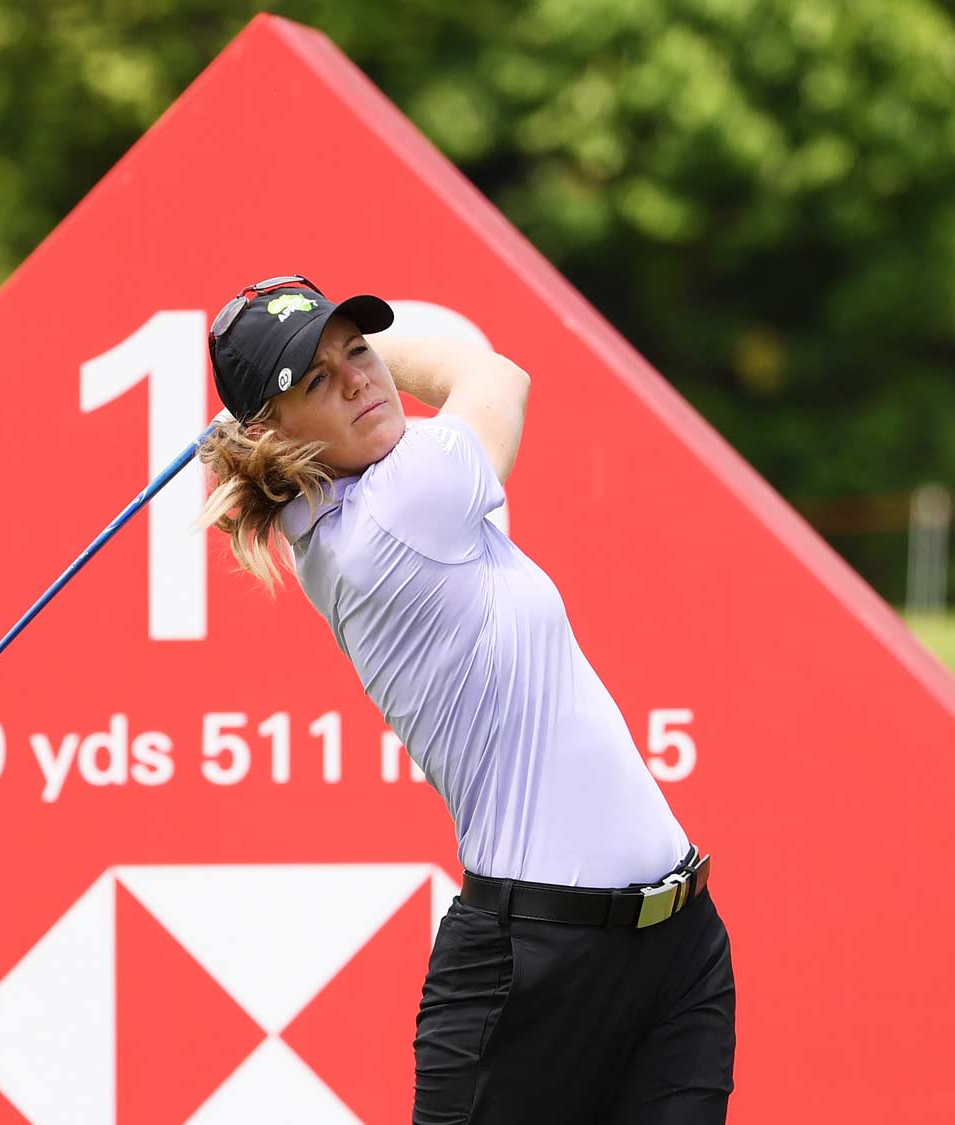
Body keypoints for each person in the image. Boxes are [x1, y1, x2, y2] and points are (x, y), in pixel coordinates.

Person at [196, 275, 736, 1124]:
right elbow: (493, 375)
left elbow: (387, 410)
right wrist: (361, 354)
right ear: (274, 431)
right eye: (317, 381)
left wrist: (272, 411)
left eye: (359, 351)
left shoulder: (335, 512)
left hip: (678, 945)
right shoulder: (406, 504)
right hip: (535, 967)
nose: (359, 382)